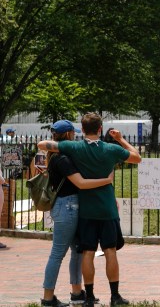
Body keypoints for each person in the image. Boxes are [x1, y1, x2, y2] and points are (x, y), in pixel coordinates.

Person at [38, 112, 142, 307]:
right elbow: (137, 158)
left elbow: (43, 145)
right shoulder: (111, 149)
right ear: (100, 129)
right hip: (107, 207)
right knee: (110, 250)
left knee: (86, 252)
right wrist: (120, 139)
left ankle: (88, 295)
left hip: (85, 208)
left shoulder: (74, 147)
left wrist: (58, 145)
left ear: (83, 130)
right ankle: (115, 296)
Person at [41, 120, 114, 307]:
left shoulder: (59, 155)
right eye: (73, 133)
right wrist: (106, 181)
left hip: (70, 206)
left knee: (77, 252)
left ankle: (76, 292)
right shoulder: (62, 159)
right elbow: (81, 183)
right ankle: (48, 298)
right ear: (68, 135)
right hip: (67, 208)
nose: (75, 136)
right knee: (58, 253)